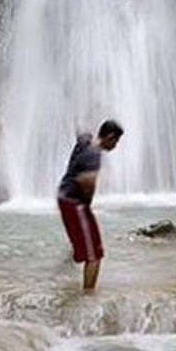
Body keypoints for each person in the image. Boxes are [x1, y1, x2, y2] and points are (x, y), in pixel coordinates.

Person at [57, 120, 124, 292]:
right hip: (75, 202)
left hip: (64, 198)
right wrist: (87, 203)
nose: (116, 146)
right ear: (109, 137)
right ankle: (88, 296)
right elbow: (87, 181)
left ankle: (61, 275)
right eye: (116, 141)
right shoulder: (94, 154)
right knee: (95, 255)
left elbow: (81, 132)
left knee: (83, 245)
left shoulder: (85, 141)